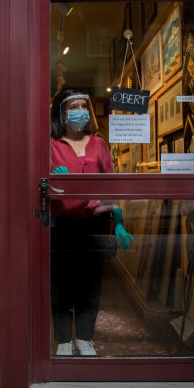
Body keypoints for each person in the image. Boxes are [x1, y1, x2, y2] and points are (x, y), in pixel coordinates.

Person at [49, 88, 134, 357]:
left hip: (95, 224)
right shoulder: (49, 145)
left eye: (84, 106)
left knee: (90, 284)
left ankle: (84, 338)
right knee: (62, 285)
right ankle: (63, 339)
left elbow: (111, 187)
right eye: (74, 106)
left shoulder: (99, 144)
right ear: (62, 113)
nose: (80, 111)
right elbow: (38, 186)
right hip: (61, 226)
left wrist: (118, 222)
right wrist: (51, 178)